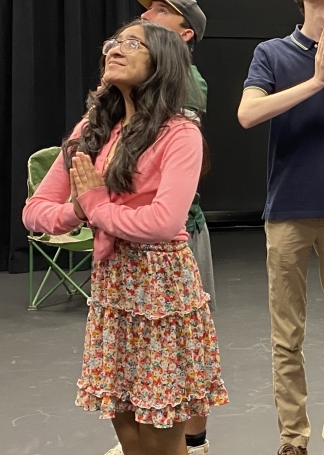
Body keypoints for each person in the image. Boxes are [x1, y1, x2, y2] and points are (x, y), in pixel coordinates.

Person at [22, 19, 228, 455]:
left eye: (133, 42)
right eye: (115, 41)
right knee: (129, 433)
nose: (116, 47)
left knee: (161, 438)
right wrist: (77, 209)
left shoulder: (180, 133)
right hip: (113, 289)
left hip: (160, 291)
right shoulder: (92, 130)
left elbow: (162, 221)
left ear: (162, 62)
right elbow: (34, 212)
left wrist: (95, 205)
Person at [236, 1, 324, 454]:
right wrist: (315, 83)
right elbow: (248, 113)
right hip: (287, 212)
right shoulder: (272, 52)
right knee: (287, 337)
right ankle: (293, 440)